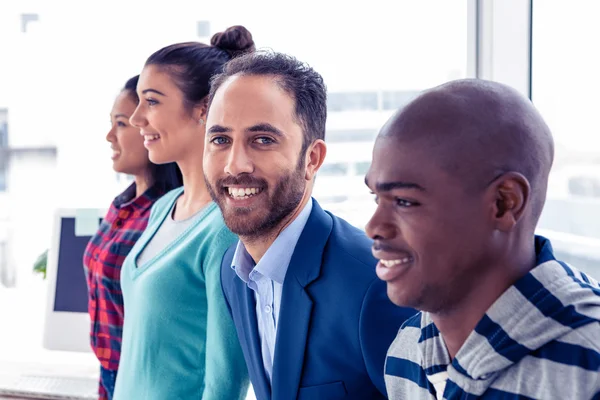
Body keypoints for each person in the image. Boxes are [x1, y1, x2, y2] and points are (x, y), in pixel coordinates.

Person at [365, 79, 600, 399]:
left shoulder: (590, 363)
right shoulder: (405, 352)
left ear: (505, 203)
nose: (374, 227)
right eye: (376, 198)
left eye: (405, 201)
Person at [203, 51, 416, 400]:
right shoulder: (233, 271)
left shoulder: (376, 282)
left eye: (263, 140)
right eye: (220, 140)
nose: (233, 165)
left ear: (311, 159)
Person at [112, 26, 255, 400]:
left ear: (205, 108)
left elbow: (226, 383)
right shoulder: (163, 207)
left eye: (152, 101)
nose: (138, 117)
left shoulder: (225, 227)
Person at [83, 74, 182, 400]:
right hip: (110, 373)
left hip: (147, 381)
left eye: (122, 124)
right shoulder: (122, 206)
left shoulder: (170, 216)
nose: (110, 136)